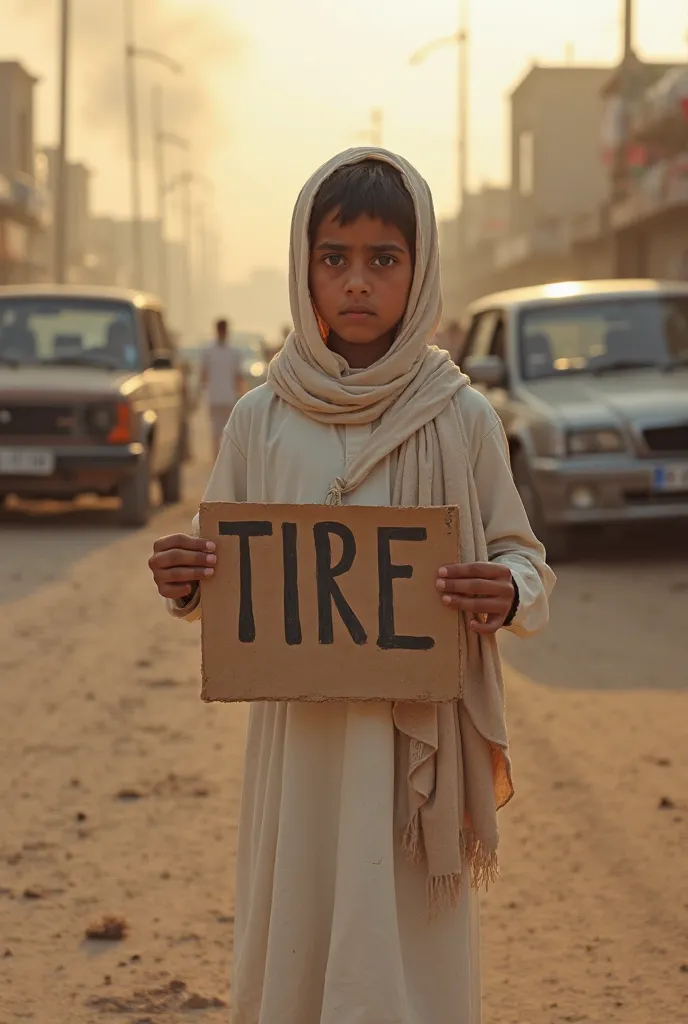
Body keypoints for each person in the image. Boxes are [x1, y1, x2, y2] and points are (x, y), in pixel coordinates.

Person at [148, 149, 555, 1024]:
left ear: (421, 268)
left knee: (407, 955)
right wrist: (187, 577)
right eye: (334, 258)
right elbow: (222, 554)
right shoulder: (262, 417)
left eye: (384, 259)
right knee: (301, 928)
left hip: (414, 753)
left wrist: (507, 591)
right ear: (304, 267)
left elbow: (527, 559)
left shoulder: (461, 415)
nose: (358, 282)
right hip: (302, 746)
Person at [200, 318, 243, 459]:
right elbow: (203, 375)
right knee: (216, 432)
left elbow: (238, 377)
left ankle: (223, 460)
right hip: (216, 397)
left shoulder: (233, 352)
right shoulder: (210, 351)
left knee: (227, 432)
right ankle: (217, 461)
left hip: (227, 398)